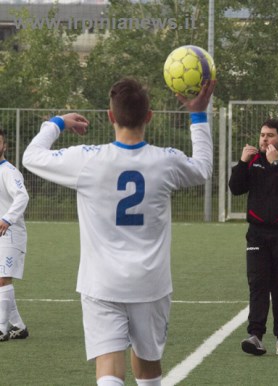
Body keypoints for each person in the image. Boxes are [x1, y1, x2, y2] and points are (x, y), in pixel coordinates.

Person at [23, 78, 216, 386]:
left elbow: (31, 157)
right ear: (149, 116)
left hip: (101, 283)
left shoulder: (88, 160)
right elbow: (203, 167)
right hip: (151, 283)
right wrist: (198, 114)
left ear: (110, 116)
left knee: (109, 366)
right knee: (149, 362)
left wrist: (57, 122)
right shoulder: (165, 161)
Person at [229, 118, 278, 356]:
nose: (264, 139)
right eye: (262, 135)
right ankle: (255, 336)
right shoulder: (253, 161)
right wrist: (241, 162)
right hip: (257, 234)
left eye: (270, 135)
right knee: (257, 284)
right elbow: (236, 188)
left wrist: (274, 165)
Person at [0, 128, 30, 342]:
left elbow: (22, 196)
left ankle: (1, 329)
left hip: (9, 232)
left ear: (4, 146)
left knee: (3, 279)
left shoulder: (9, 171)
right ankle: (19, 327)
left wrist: (7, 218)